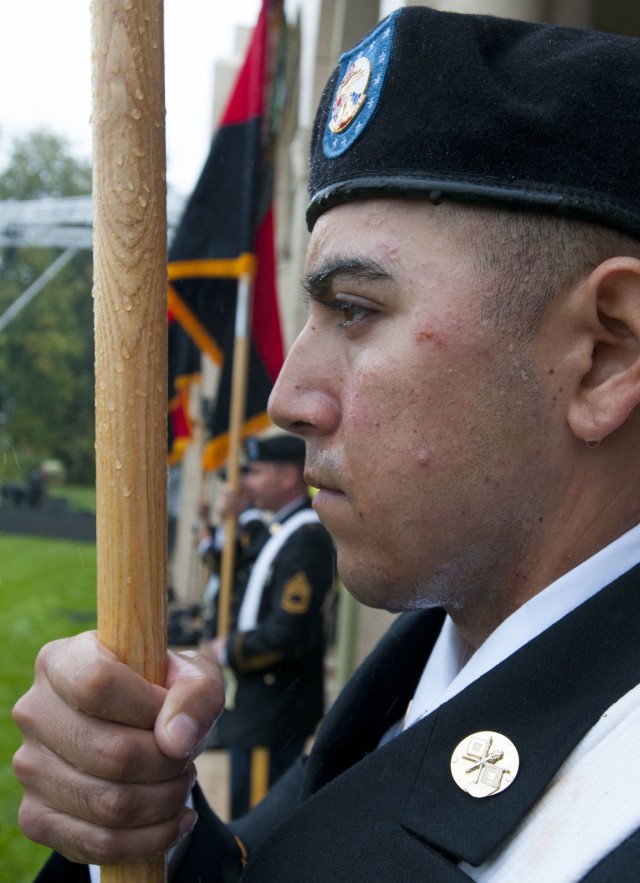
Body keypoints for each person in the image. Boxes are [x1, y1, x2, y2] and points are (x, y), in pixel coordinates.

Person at [12, 7, 640, 881]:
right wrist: (146, 830)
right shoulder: (430, 659)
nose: (286, 399)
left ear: (605, 354)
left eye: (356, 308)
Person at [199, 434, 335, 819]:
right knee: (245, 809)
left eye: (255, 473)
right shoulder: (278, 529)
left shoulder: (306, 537)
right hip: (257, 704)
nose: (245, 482)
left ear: (289, 476)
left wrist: (229, 649)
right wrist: (233, 516)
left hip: (275, 708)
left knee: (259, 826)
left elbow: (289, 633)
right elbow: (231, 565)